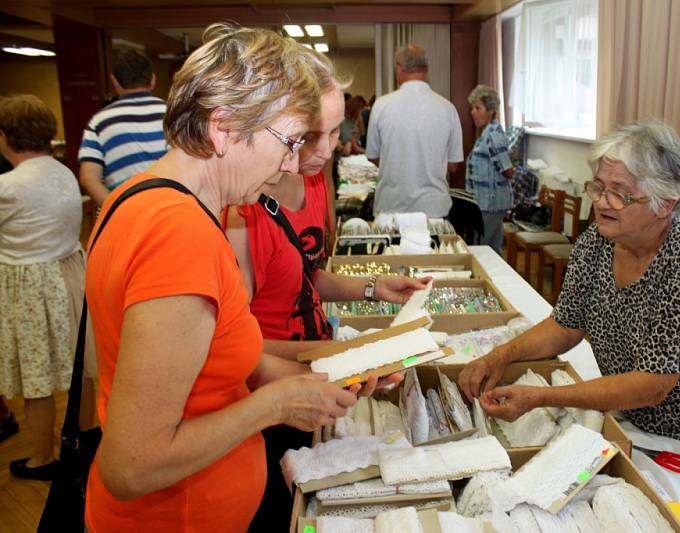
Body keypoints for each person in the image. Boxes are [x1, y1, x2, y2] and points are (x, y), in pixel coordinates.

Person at [83, 24, 359, 531]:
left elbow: (221, 361)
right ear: (225, 128)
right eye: (289, 142)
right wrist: (271, 407)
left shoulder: (139, 194)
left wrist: (336, 370)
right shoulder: (179, 234)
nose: (290, 164)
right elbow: (130, 465)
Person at [459, 120, 680, 502]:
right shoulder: (597, 242)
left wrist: (541, 397)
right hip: (647, 425)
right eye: (599, 187)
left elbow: (652, 385)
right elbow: (566, 324)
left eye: (621, 194)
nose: (602, 202)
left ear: (666, 203)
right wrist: (501, 355)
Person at [224, 49, 426, 532]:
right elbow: (234, 346)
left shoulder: (315, 184)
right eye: (313, 135)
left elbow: (307, 276)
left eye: (336, 133)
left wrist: (375, 288)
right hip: (274, 386)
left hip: (314, 370)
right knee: (275, 507)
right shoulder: (243, 207)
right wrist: (340, 354)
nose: (327, 149)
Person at [0, 94, 94, 480]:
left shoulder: (9, 186)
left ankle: (42, 457)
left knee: (36, 378)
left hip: (30, 288)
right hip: (70, 277)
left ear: (5, 137)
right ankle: (85, 440)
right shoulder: (63, 173)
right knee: (81, 371)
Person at [367, 44, 463, 217]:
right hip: (433, 209)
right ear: (426, 69)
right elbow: (454, 165)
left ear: (399, 68)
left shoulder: (381, 105)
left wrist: (399, 165)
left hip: (391, 208)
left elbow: (373, 156)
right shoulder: (448, 108)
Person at [78, 47, 167, 208]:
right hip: (171, 209)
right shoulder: (173, 114)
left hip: (126, 210)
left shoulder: (99, 121)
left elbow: (88, 178)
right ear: (153, 80)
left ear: (115, 82)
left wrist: (118, 211)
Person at [465, 85, 513, 254]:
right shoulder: (487, 133)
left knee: (480, 250)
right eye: (472, 108)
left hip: (490, 204)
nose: (473, 112)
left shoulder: (493, 135)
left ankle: (485, 280)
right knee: (492, 250)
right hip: (487, 203)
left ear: (491, 110)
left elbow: (508, 170)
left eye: (478, 108)